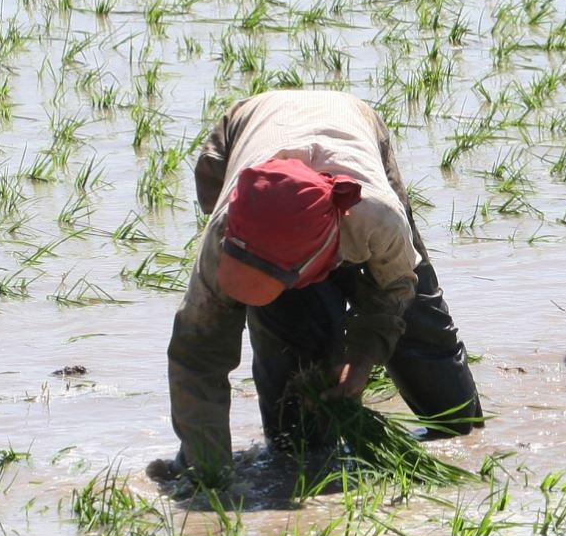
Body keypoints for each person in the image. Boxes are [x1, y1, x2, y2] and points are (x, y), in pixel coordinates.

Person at [154, 90, 482, 485]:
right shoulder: (226, 231)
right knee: (297, 413)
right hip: (246, 128)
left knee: (425, 343)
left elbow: (394, 293)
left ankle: (462, 430)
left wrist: (361, 359)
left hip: (352, 125)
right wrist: (206, 471)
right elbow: (198, 352)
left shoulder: (379, 218)